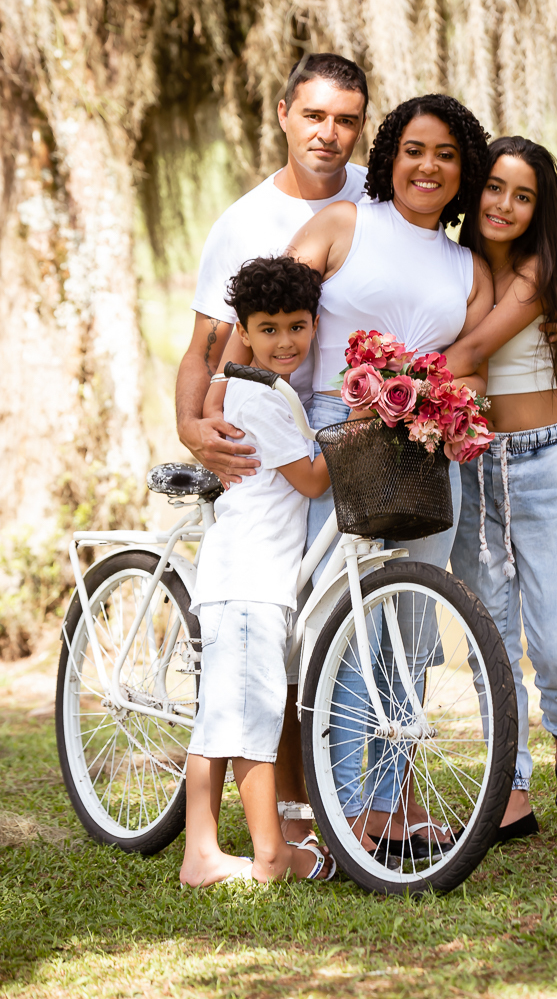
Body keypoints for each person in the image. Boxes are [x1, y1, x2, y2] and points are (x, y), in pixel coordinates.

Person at [219, 93, 494, 856]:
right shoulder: (345, 226)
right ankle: (334, 807)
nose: (427, 166)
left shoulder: (467, 268)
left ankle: (386, 805)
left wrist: (444, 400)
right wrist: (221, 401)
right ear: (390, 157)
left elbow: (471, 374)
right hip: (331, 453)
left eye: (444, 154)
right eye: (413, 149)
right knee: (336, 629)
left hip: (424, 463)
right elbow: (262, 314)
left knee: (409, 633)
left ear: (462, 168)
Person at [176, 52, 369, 844]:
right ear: (284, 112)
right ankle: (282, 831)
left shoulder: (376, 205)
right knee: (272, 649)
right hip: (278, 444)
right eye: (315, 115)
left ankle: (346, 804)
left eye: (347, 119)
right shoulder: (243, 224)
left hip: (325, 428)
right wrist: (192, 427)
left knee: (334, 632)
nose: (329, 134)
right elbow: (203, 349)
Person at [444, 136, 557, 842]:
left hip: (545, 464)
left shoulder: (539, 269)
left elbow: (472, 352)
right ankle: (509, 782)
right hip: (471, 465)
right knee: (492, 637)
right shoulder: (451, 265)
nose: (504, 205)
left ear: (539, 208)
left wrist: (390, 377)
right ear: (474, 191)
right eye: (495, 188)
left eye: (523, 194)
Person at [179, 256, 335, 886]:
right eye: (268, 329)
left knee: (220, 715)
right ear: (243, 329)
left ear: (315, 324)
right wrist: (371, 425)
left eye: (298, 326)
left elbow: (221, 386)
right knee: (253, 716)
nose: (285, 341)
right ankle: (271, 855)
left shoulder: (251, 388)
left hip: (242, 574)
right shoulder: (266, 401)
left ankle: (201, 853)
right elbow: (313, 478)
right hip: (250, 580)